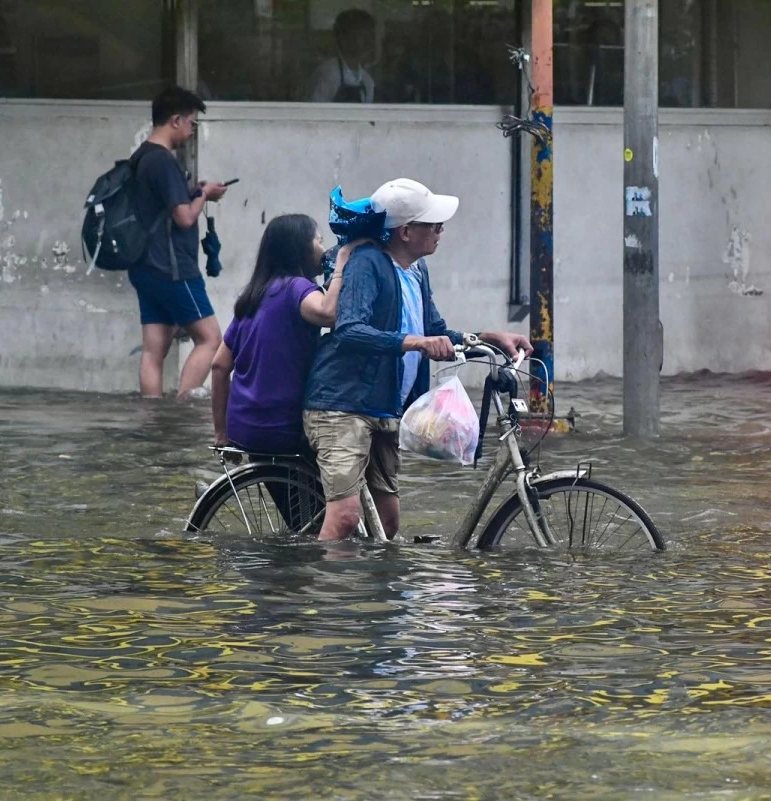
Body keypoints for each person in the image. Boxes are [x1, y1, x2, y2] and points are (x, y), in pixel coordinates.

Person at [302, 179, 532, 542]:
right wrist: (414, 343)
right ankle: (323, 595)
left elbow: (435, 330)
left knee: (388, 523)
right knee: (346, 516)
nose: (441, 230)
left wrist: (487, 338)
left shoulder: (416, 270)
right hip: (342, 405)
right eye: (433, 224)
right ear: (406, 231)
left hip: (385, 406)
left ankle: (371, 594)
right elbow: (348, 331)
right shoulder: (367, 264)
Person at [210, 214, 362, 454]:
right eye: (319, 241)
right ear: (301, 248)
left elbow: (219, 366)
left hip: (242, 430)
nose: (324, 250)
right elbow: (327, 313)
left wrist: (221, 433)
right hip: (283, 427)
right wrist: (342, 262)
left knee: (292, 491)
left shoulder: (252, 297)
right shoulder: (296, 287)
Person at [129, 87, 231, 399]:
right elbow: (184, 218)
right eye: (192, 123)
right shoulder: (163, 162)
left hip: (144, 265)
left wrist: (194, 193)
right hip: (172, 268)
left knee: (153, 349)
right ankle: (182, 410)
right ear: (176, 120)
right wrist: (204, 194)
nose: (191, 131)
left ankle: (153, 416)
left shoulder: (140, 157)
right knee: (211, 338)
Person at [307, 9, 377, 103]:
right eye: (362, 35)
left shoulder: (367, 81)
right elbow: (314, 113)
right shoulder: (329, 74)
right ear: (343, 38)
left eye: (370, 36)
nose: (369, 42)